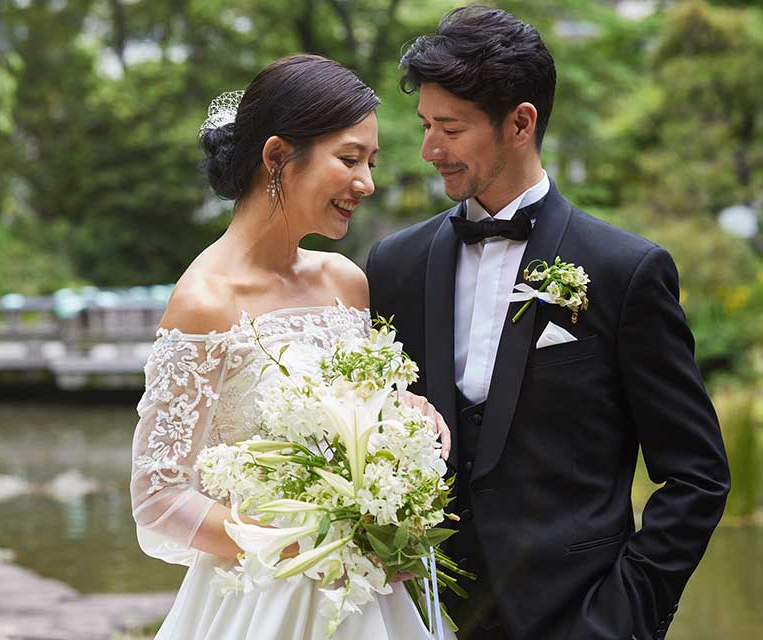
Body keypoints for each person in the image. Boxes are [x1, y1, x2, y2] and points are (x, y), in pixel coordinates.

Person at [366, 6, 730, 640]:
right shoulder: (394, 265)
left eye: (449, 128)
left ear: (520, 123)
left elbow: (697, 475)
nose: (429, 150)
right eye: (426, 125)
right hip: (424, 620)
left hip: (581, 619)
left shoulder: (626, 269)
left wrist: (626, 615)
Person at [130, 54, 451, 640]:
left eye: (371, 163)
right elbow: (159, 496)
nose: (367, 183)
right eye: (350, 159)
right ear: (278, 156)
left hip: (371, 595)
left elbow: (363, 418)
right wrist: (291, 543)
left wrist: (406, 424)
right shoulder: (205, 301)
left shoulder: (346, 282)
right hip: (260, 602)